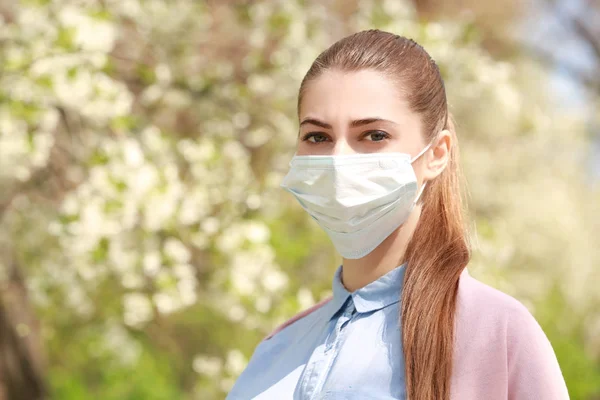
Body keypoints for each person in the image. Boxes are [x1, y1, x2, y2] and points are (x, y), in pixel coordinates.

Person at [227, 29, 569, 400]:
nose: (339, 161)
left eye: (374, 136)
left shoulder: (497, 334)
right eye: (317, 137)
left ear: (437, 153)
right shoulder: (276, 348)